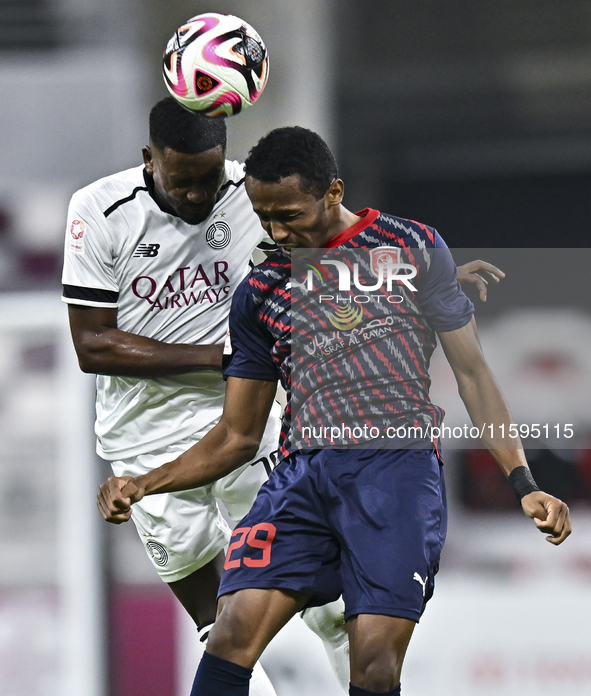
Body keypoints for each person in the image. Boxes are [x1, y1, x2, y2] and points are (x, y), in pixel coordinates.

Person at [97, 126, 571, 696]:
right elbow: (238, 436)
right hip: (301, 476)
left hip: (395, 473)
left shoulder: (413, 247)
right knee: (230, 637)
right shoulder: (261, 291)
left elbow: (473, 374)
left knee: (372, 666)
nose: (276, 230)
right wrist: (145, 483)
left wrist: (523, 481)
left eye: (289, 214)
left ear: (332, 192)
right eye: (263, 215)